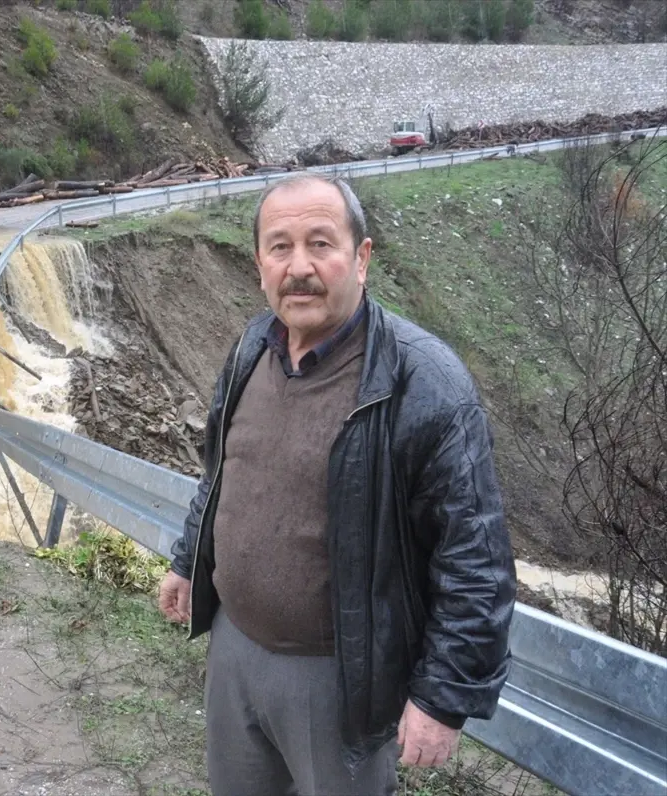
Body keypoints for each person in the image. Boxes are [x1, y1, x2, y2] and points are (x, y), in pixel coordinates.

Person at [157, 174, 517, 796]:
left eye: (320, 244)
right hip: (234, 650)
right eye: (280, 247)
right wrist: (189, 561)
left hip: (340, 679)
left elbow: (475, 559)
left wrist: (443, 698)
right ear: (259, 263)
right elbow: (221, 470)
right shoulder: (250, 348)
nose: (299, 267)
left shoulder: (423, 382)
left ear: (362, 257)